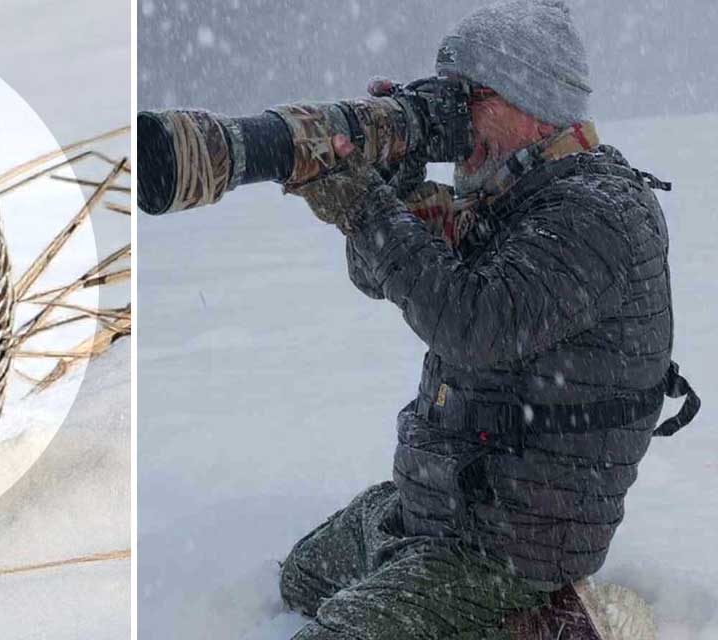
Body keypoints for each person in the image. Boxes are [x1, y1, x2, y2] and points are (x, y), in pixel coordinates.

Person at [280, 1, 699, 638]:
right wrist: (393, 182)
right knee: (305, 578)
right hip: (455, 499)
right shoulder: (507, 188)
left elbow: (472, 325)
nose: (450, 116)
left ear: (526, 102)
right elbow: (378, 277)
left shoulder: (592, 212)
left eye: (464, 97)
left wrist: (368, 210)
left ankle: (562, 621)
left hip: (520, 537)